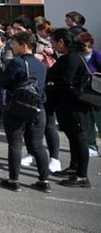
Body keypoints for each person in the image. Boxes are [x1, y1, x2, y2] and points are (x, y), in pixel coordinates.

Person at [0, 30, 51, 193]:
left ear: (24, 46)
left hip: (17, 107)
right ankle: (44, 180)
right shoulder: (41, 64)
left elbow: (4, 82)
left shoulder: (17, 62)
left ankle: (13, 180)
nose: (12, 47)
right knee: (37, 145)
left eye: (14, 44)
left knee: (15, 144)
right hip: (37, 108)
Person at [48, 28, 92, 188]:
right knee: (73, 139)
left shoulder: (72, 58)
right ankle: (74, 168)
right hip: (68, 106)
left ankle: (82, 176)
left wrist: (51, 82)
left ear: (61, 42)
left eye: (54, 42)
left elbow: (65, 81)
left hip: (76, 107)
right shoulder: (68, 57)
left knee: (79, 140)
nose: (52, 45)